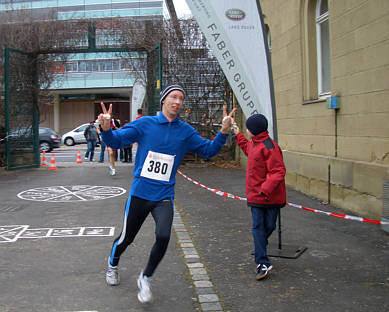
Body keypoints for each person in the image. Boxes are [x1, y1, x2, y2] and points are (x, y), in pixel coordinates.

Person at [98, 84, 235, 303]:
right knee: (126, 238)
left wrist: (224, 132)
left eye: (181, 98)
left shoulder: (185, 131)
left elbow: (208, 150)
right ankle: (112, 264)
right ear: (164, 100)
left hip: (163, 195)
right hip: (140, 193)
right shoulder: (145, 124)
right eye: (173, 97)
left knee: (163, 236)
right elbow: (116, 141)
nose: (177, 101)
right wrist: (106, 129)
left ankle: (146, 277)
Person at [233, 113, 286, 281]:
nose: (247, 131)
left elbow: (278, 172)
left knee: (268, 226)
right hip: (256, 197)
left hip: (270, 197)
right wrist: (237, 133)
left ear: (254, 130)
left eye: (248, 128)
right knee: (258, 228)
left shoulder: (270, 147)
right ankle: (262, 262)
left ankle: (261, 247)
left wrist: (265, 189)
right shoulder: (254, 144)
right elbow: (246, 147)